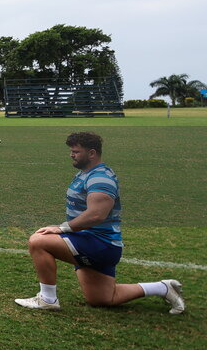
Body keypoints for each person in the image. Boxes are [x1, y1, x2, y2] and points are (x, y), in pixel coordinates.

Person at [14, 132, 184, 313]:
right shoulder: (87, 174)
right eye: (71, 151)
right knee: (102, 298)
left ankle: (47, 299)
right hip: (90, 241)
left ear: (92, 153)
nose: (72, 154)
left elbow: (96, 215)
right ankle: (163, 288)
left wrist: (62, 228)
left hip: (99, 243)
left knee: (38, 241)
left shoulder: (100, 178)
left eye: (76, 151)